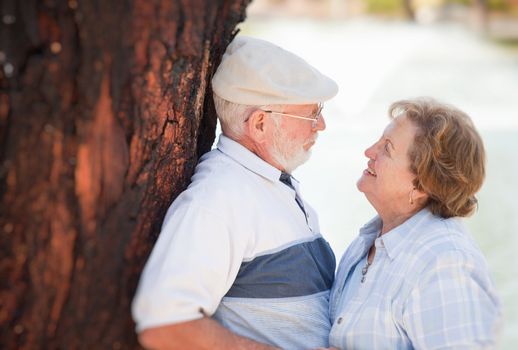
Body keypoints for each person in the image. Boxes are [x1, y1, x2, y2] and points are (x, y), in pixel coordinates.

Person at [132, 36, 338, 349]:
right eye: (310, 113)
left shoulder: (268, 183)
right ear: (259, 125)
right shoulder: (217, 201)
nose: (321, 125)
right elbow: (165, 324)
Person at [328, 98, 502, 349]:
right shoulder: (368, 242)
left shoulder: (445, 262)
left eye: (386, 148)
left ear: (422, 184)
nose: (369, 151)